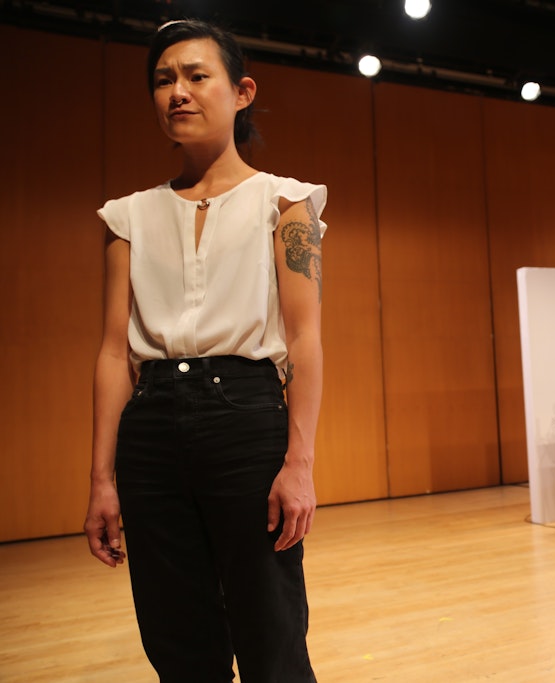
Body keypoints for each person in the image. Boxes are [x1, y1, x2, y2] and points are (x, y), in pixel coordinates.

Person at [82, 19, 324, 682]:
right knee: (177, 640)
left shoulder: (286, 203)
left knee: (272, 633)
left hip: (245, 418)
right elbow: (113, 354)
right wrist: (101, 479)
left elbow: (305, 339)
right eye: (163, 80)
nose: (178, 92)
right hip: (151, 428)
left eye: (196, 75)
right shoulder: (127, 216)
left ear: (242, 91)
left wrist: (299, 464)